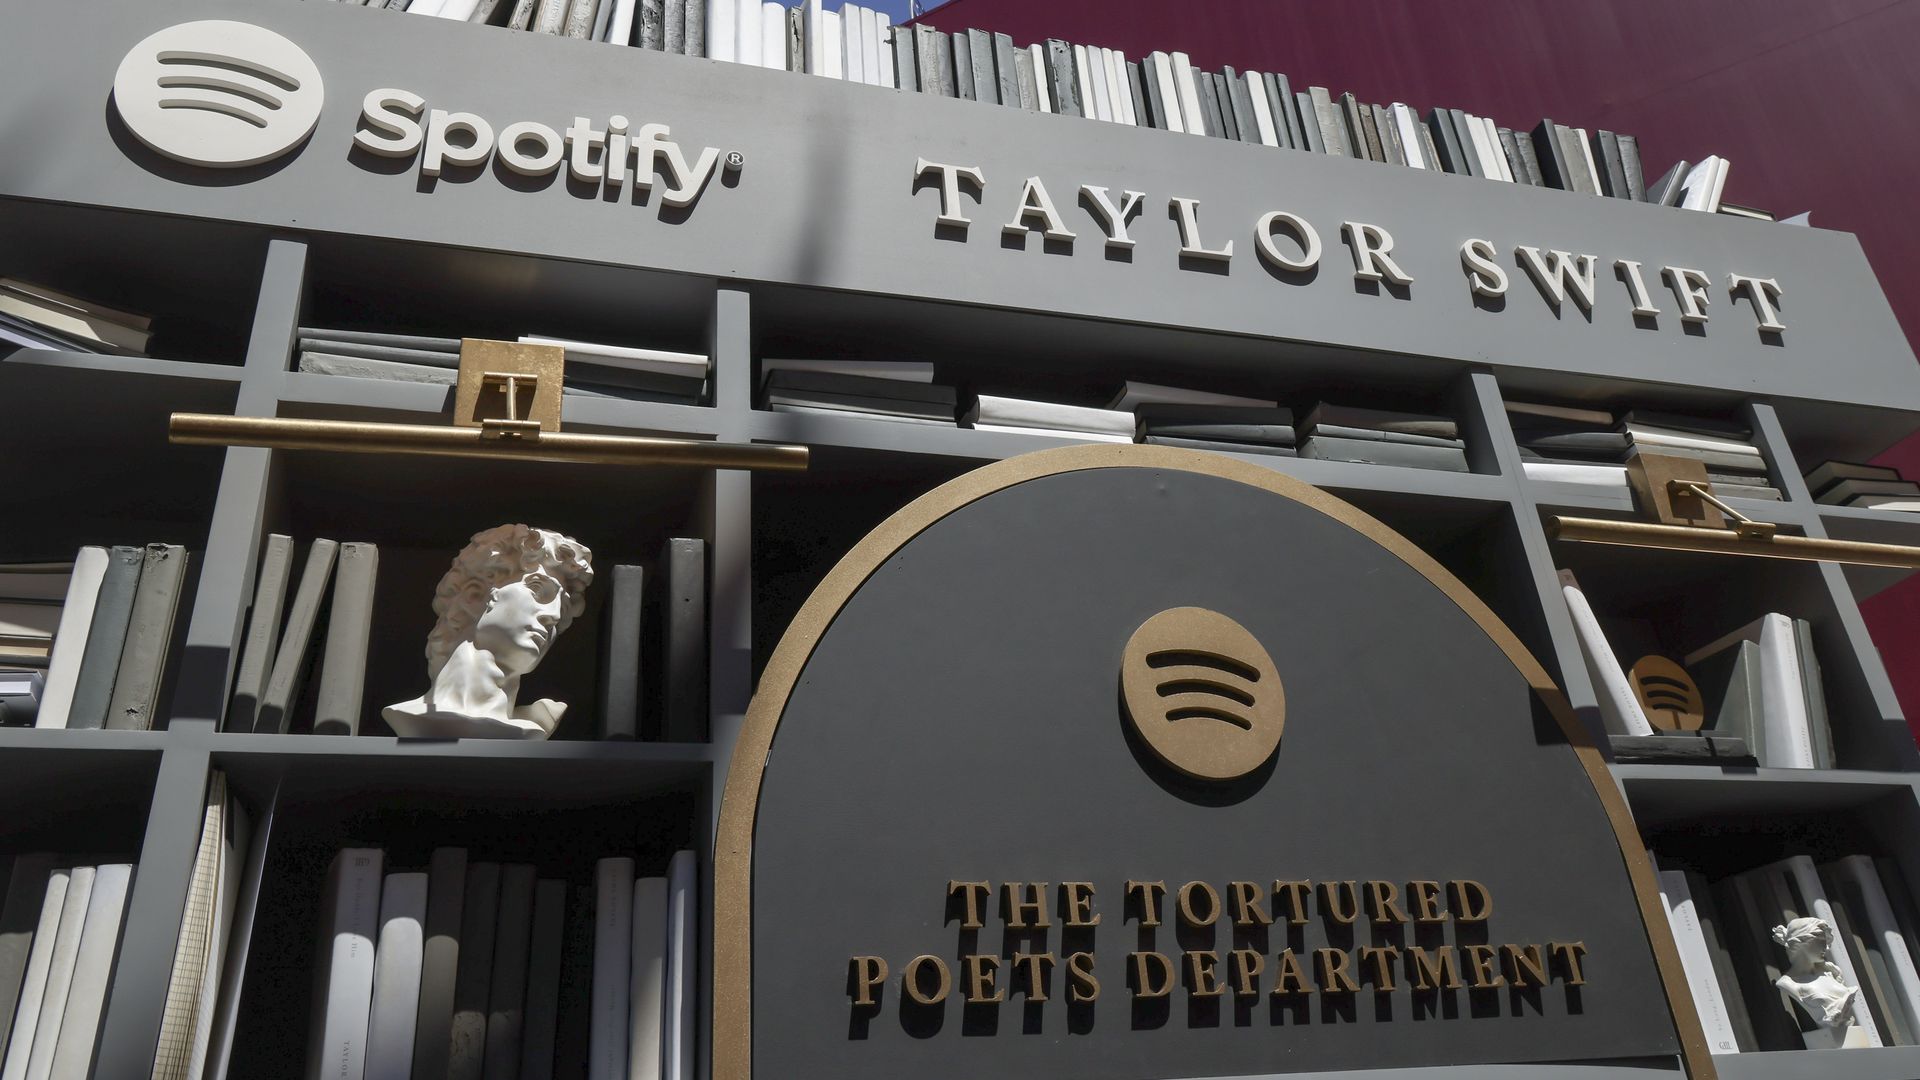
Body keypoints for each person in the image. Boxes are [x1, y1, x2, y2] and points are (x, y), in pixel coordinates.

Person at [384, 523, 593, 739]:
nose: (554, 616)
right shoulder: (409, 715)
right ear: (475, 597)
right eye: (537, 588)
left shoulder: (538, 721)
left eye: (563, 608)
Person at [1772, 916, 1867, 1046]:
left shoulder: (1830, 972)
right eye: (1820, 940)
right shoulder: (1789, 983)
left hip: (1851, 1038)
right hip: (1833, 1041)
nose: (1826, 947)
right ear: (1801, 943)